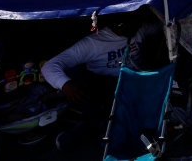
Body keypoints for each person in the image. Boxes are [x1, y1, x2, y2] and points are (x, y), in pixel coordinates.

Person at [41, 12, 164, 151]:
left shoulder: (140, 29)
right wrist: (65, 84)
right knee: (107, 115)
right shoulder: (93, 43)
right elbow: (49, 66)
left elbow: (163, 25)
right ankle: (90, 129)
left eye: (137, 23)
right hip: (106, 84)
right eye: (127, 25)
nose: (134, 29)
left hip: (138, 80)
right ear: (114, 24)